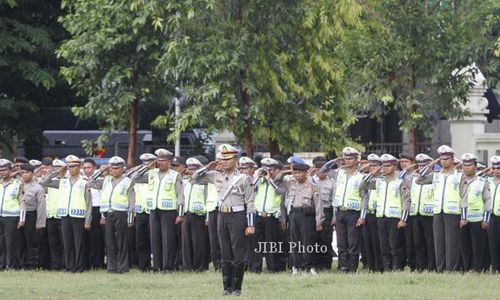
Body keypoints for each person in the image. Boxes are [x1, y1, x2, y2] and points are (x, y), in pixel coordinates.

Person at [193, 144, 255, 296]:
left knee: (237, 251)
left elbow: (250, 202)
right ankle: (226, 288)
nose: (224, 162)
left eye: (228, 159)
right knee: (224, 250)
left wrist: (251, 224)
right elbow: (195, 178)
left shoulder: (243, 178)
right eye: (222, 159)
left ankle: (237, 288)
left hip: (238, 216)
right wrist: (208, 166)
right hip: (222, 215)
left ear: (235, 160)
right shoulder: (216, 175)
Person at [135, 148, 184, 272]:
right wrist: (146, 168)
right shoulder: (152, 173)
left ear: (168, 162)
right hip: (154, 210)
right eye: (158, 160)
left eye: (163, 161)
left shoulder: (175, 175)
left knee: (168, 239)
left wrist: (180, 214)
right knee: (155, 239)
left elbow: (180, 195)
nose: (160, 163)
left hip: (169, 211)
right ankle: (157, 266)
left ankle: (168, 267)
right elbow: (134, 177)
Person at [40, 155, 92, 273]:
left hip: (79, 216)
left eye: (74, 166)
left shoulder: (84, 182)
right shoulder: (62, 182)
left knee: (78, 243)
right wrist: (57, 172)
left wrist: (88, 220)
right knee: (67, 242)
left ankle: (79, 267)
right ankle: (69, 266)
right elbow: (44, 182)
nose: (71, 169)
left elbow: (89, 202)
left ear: (79, 167)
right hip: (65, 215)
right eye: (69, 166)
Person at [416, 145, 463, 272]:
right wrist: (432, 163)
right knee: (439, 242)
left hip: (453, 212)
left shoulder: (459, 175)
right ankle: (440, 268)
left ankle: (451, 269)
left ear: (453, 159)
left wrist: (463, 216)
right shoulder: (436, 175)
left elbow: (464, 196)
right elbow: (419, 180)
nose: (444, 161)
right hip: (438, 212)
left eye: (447, 158)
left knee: (451, 243)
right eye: (441, 159)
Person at [321, 147, 367, 273]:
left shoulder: (361, 176)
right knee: (341, 242)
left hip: (354, 212)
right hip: (340, 211)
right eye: (345, 158)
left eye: (350, 158)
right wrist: (335, 160)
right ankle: (343, 266)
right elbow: (323, 170)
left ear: (357, 160)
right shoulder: (339, 173)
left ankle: (352, 268)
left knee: (353, 242)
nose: (347, 161)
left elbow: (364, 197)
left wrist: (362, 216)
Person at [276, 159, 323, 275]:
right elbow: (276, 182)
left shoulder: (313, 185)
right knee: (294, 242)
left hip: (307, 216)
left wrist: (319, 221)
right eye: (295, 173)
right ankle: (296, 267)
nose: (297, 175)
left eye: (299, 173)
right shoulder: (291, 183)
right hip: (294, 215)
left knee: (308, 242)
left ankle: (309, 266)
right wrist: (284, 172)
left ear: (306, 172)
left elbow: (318, 205)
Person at [88, 156, 135, 273]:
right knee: (110, 242)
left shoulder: (128, 181)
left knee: (122, 242)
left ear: (122, 169)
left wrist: (130, 219)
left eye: (116, 168)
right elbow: (90, 182)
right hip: (108, 214)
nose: (113, 170)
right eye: (112, 168)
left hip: (122, 213)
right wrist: (101, 170)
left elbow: (132, 201)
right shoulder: (106, 180)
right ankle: (112, 267)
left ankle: (123, 267)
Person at [371, 154, 410, 271]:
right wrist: (373, 173)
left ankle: (397, 267)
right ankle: (387, 267)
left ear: (394, 166)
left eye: (389, 166)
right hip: (381, 216)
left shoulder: (400, 182)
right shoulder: (379, 181)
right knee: (384, 245)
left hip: (395, 217)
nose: (386, 168)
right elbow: (363, 185)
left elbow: (406, 201)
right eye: (384, 166)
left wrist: (403, 219)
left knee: (395, 245)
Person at [248, 158, 286, 273]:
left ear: (276, 170)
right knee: (256, 243)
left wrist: (270, 180)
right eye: (266, 169)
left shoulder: (280, 181)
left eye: (271, 169)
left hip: (272, 216)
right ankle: (256, 268)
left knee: (271, 243)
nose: (268, 172)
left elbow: (280, 192)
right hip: (259, 215)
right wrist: (258, 176)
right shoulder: (259, 181)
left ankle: (272, 268)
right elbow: (250, 188)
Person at [459, 153, 491, 273]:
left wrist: (486, 219)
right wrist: (462, 217)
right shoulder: (459, 180)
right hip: (463, 219)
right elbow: (462, 199)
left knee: (478, 246)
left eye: (470, 165)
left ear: (475, 166)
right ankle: (467, 269)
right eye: (465, 165)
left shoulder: (482, 181)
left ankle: (478, 270)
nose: (467, 167)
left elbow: (487, 200)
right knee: (465, 246)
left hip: (478, 219)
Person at [182, 157, 209, 272]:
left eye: (194, 169)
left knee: (198, 242)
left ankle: (199, 266)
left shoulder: (205, 182)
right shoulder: (185, 181)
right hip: (186, 213)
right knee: (186, 242)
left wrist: (207, 217)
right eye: (190, 168)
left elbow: (209, 199)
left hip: (199, 215)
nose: (191, 171)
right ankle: (188, 266)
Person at [409, 154, 436, 272]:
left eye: (423, 165)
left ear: (430, 165)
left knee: (430, 243)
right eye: (419, 165)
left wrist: (430, 167)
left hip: (429, 215)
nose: (420, 168)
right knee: (418, 243)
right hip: (416, 214)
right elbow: (402, 176)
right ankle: (420, 267)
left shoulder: (435, 178)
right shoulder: (416, 179)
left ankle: (431, 267)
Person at [18, 163, 46, 269]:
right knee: (20, 242)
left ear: (32, 173)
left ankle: (32, 265)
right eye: (22, 172)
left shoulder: (38, 188)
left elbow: (41, 207)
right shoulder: (18, 185)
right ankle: (21, 264)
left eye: (27, 172)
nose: (24, 175)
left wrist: (40, 224)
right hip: (19, 215)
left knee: (32, 242)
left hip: (31, 215)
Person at [310, 156, 335, 271]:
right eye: (318, 168)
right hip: (312, 211)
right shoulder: (310, 180)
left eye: (323, 169)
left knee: (325, 239)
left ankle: (325, 265)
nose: (320, 171)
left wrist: (334, 217)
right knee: (313, 239)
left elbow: (334, 200)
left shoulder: (331, 182)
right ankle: (314, 264)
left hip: (326, 211)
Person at [361, 154, 384, 272]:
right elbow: (361, 187)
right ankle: (371, 267)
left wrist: (375, 174)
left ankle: (379, 267)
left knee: (377, 242)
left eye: (375, 166)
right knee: (367, 241)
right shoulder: (367, 178)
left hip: (378, 213)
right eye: (370, 165)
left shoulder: (383, 178)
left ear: (380, 167)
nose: (372, 168)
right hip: (367, 213)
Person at [133, 153, 155, 271]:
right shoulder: (139, 175)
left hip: (153, 211)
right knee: (141, 241)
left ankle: (157, 264)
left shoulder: (156, 175)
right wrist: (142, 168)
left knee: (154, 240)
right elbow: (130, 175)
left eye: (149, 162)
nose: (147, 165)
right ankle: (144, 265)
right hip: (140, 211)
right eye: (144, 163)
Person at [82, 158, 105, 269]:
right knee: (85, 239)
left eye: (89, 167)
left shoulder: (99, 180)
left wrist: (102, 215)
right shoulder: (81, 180)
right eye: (85, 168)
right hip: (84, 210)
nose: (86, 170)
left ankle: (97, 263)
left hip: (97, 210)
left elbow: (103, 197)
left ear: (94, 168)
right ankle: (86, 262)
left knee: (96, 239)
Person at [0, 159, 22, 270]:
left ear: (10, 170)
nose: (2, 172)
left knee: (11, 242)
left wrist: (22, 219)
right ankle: (1, 264)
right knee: (1, 242)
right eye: (0, 170)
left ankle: (11, 265)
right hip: (0, 215)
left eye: (4, 170)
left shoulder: (17, 184)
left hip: (12, 216)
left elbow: (22, 202)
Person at [44, 159, 65, 270]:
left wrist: (62, 173)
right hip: (51, 216)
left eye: (59, 168)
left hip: (62, 216)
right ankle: (55, 265)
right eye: (55, 167)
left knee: (63, 243)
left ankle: (64, 264)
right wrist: (54, 173)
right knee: (53, 243)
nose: (57, 170)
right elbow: (43, 183)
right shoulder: (51, 181)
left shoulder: (66, 181)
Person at [488, 156, 500, 273]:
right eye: (494, 167)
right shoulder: (489, 181)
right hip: (492, 216)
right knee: (493, 244)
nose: (496, 170)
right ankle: (495, 269)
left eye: (498, 168)